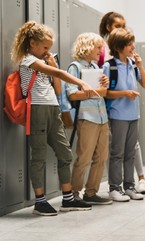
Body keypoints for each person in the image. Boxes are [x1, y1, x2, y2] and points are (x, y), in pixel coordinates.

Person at [10, 21, 95, 216]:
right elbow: (56, 73)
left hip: (52, 109)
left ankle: (67, 198)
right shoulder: (27, 60)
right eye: (45, 47)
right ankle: (39, 202)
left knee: (65, 153)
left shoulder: (44, 62)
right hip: (37, 109)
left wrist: (54, 64)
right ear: (32, 43)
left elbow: (57, 88)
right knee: (38, 156)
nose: (47, 51)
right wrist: (80, 81)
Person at [98, 11, 145, 194]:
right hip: (118, 115)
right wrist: (125, 93)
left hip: (133, 115)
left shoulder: (133, 64)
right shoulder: (108, 66)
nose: (133, 47)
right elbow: (105, 93)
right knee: (117, 154)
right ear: (119, 47)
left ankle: (129, 187)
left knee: (130, 153)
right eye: (129, 44)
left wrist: (141, 66)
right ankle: (114, 188)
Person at [66, 32, 112, 205]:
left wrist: (103, 86)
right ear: (87, 47)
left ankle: (91, 193)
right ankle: (74, 193)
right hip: (87, 119)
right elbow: (72, 94)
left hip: (102, 118)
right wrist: (96, 92)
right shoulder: (75, 67)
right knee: (84, 158)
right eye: (98, 47)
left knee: (101, 156)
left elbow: (102, 93)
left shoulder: (95, 68)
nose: (101, 51)